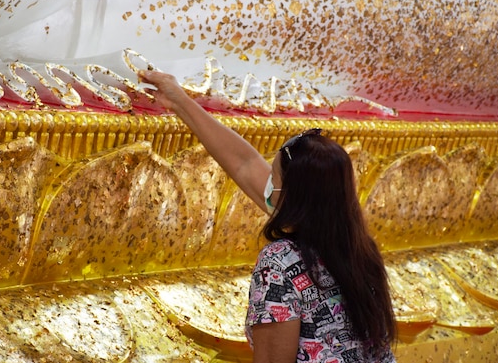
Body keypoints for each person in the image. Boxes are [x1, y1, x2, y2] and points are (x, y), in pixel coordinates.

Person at [139, 70, 397, 363]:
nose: (267, 185)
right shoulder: (360, 249)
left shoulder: (281, 264)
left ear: (290, 195)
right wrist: (179, 100)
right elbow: (245, 164)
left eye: (273, 177)